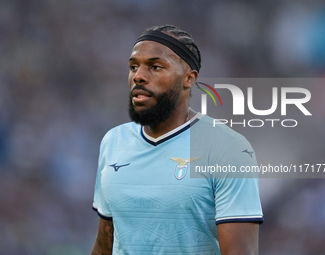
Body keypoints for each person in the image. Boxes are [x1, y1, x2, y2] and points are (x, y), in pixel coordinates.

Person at [91, 24, 263, 255]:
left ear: (189, 79)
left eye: (155, 67)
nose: (139, 76)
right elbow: (105, 245)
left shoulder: (228, 148)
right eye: (133, 67)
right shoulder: (113, 142)